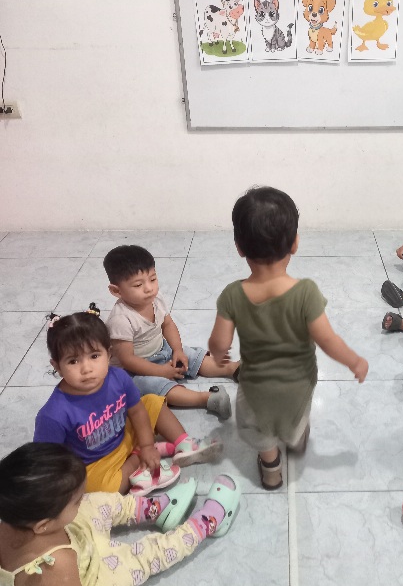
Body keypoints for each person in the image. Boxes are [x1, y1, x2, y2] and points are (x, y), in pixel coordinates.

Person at [208, 186, 368, 490]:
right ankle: (296, 439)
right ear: (295, 242)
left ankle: (271, 469)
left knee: (259, 429)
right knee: (297, 416)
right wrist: (354, 361)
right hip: (298, 383)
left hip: (256, 387)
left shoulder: (232, 295)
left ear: (239, 247)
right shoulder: (306, 293)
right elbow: (328, 340)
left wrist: (218, 354)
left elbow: (219, 342)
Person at [33, 309, 223, 495]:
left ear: (109, 354)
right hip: (97, 463)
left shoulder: (118, 377)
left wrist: (147, 445)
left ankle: (183, 443)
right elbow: (48, 463)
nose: (86, 368)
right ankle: (140, 460)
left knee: (152, 402)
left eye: (94, 356)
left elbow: (137, 411)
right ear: (57, 366)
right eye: (73, 361)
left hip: (125, 434)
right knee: (101, 490)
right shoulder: (53, 415)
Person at [0, 442, 241, 585]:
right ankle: (207, 523)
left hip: (73, 536)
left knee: (97, 501)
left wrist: (76, 504)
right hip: (92, 573)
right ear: (43, 525)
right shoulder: (57, 567)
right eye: (75, 501)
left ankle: (156, 509)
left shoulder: (16, 514)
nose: (81, 501)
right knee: (144, 556)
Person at [103, 244, 236, 419]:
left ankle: (234, 369)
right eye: (138, 285)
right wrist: (160, 372)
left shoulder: (156, 299)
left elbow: (168, 325)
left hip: (161, 350)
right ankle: (208, 398)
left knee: (192, 355)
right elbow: (128, 360)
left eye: (153, 279)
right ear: (116, 290)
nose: (149, 288)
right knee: (153, 386)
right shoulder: (120, 319)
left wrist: (178, 350)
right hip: (135, 369)